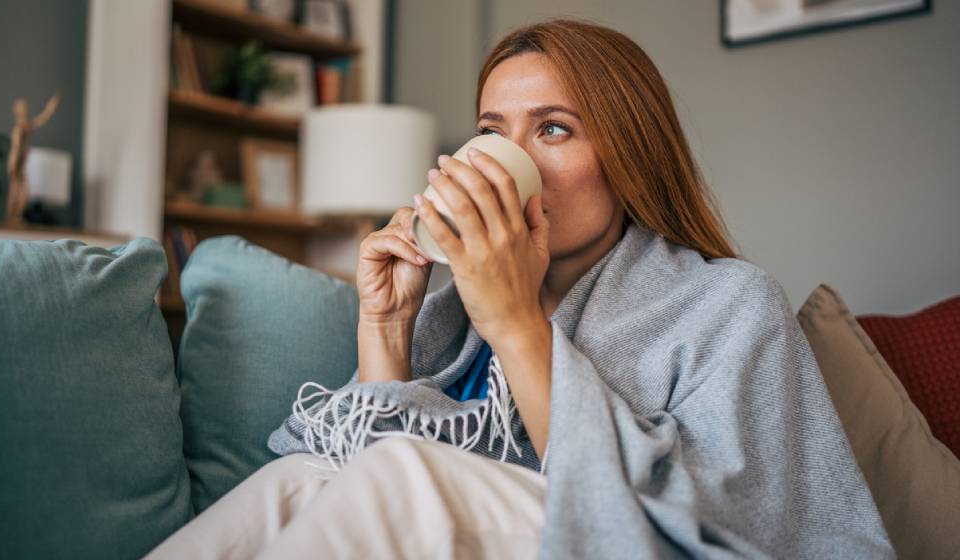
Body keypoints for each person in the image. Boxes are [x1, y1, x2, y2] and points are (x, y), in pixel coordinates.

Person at [146, 18, 893, 560]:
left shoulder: (729, 304)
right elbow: (345, 481)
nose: (506, 160)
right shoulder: (450, 316)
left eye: (554, 129)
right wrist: (387, 328)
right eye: (491, 131)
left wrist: (516, 322)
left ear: (629, 157)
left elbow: (731, 527)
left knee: (406, 474)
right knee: (298, 478)